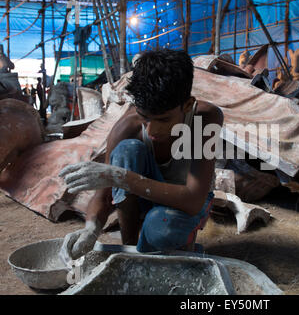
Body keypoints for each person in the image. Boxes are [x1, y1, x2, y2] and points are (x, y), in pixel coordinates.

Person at [58, 49, 223, 264]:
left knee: (161, 226)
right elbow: (102, 196)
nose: (152, 130)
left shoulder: (205, 119)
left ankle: (153, 250)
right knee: (128, 150)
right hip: (147, 198)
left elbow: (193, 200)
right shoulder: (127, 127)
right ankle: (131, 247)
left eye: (163, 120)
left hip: (188, 203)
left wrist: (121, 177)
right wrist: (91, 227)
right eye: (145, 117)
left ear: (188, 105)